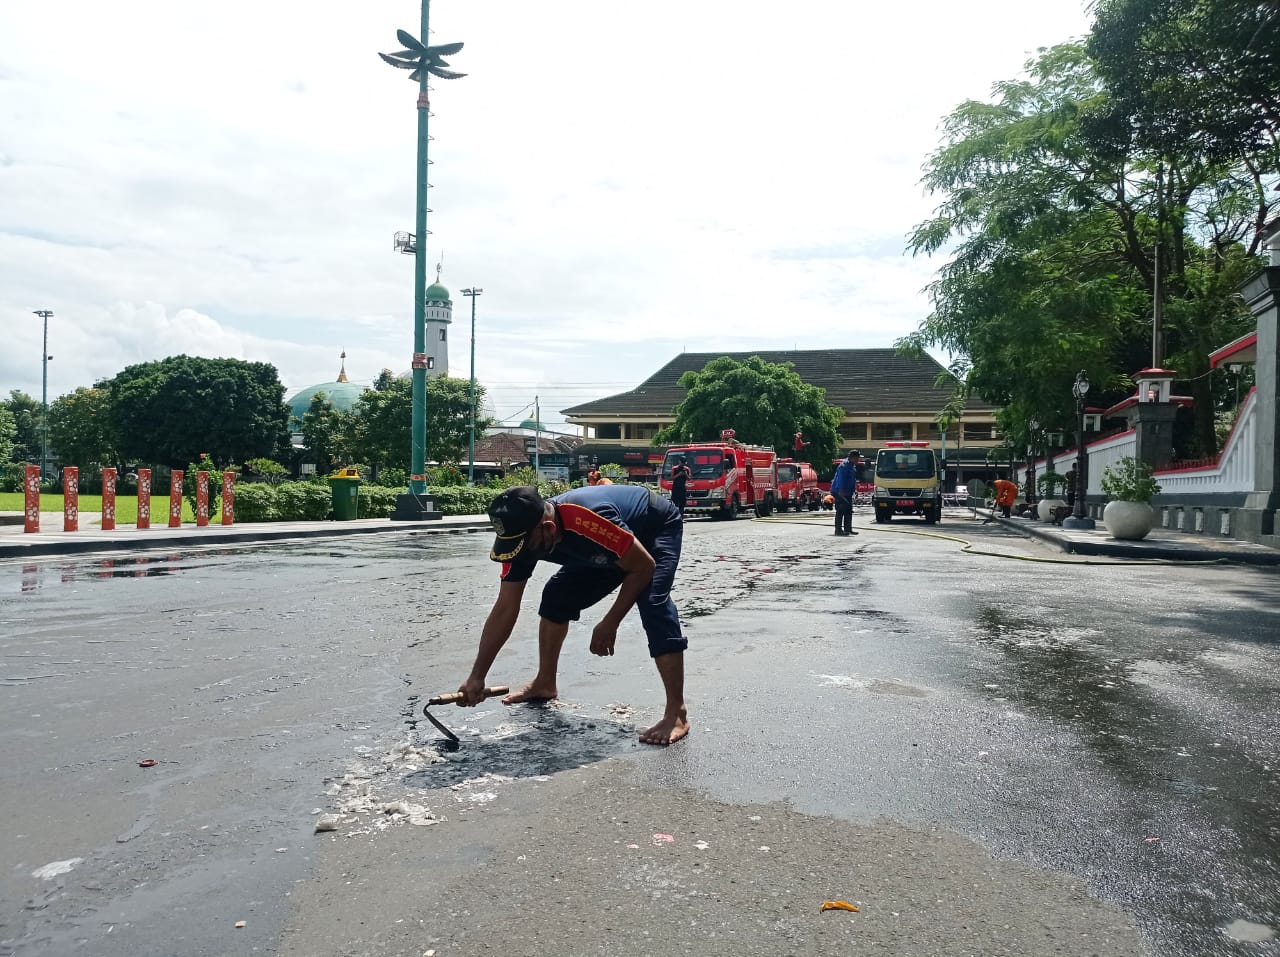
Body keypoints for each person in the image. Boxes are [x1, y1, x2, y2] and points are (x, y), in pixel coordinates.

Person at [455, 484, 690, 746]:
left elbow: (644, 566)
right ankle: (545, 682)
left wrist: (610, 622)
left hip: (652, 529)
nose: (520, 553)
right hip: (609, 546)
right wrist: (477, 675)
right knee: (557, 596)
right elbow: (505, 608)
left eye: (525, 546)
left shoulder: (587, 520)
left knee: (654, 603)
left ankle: (676, 712)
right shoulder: (518, 541)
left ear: (548, 529)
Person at [829, 454, 858, 536]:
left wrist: (854, 490)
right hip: (840, 492)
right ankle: (838, 530)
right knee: (841, 510)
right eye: (857, 458)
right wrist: (841, 490)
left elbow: (852, 479)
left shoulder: (852, 466)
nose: (857, 460)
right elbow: (840, 479)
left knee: (848, 511)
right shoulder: (844, 466)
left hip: (848, 492)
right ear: (852, 457)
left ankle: (848, 529)